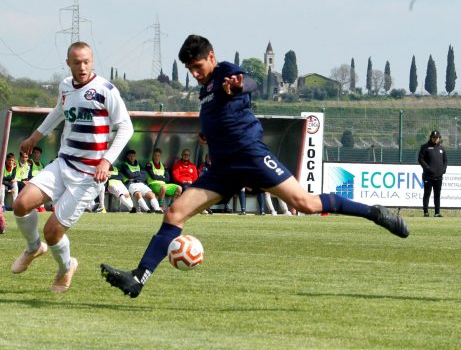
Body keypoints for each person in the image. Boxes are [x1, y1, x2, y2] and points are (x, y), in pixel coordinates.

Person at [101, 34, 409, 298]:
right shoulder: (204, 91)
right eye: (189, 69)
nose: (195, 73)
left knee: (307, 203)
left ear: (211, 57)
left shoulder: (225, 73)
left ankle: (374, 212)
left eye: (198, 66)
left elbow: (248, 83)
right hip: (222, 169)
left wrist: (237, 84)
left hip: (251, 158)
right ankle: (139, 278)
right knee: (175, 212)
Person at [11, 41, 133, 293]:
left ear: (92, 61)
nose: (82, 66)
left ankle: (66, 267)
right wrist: (35, 137)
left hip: (88, 176)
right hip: (64, 163)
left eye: (86, 61)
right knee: (21, 204)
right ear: (68, 63)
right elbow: (58, 111)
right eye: (76, 62)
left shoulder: (106, 90)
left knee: (52, 231)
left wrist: (106, 160)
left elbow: (126, 127)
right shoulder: (65, 86)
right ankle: (34, 248)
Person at [120, 149, 163, 214]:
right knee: (138, 194)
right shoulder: (124, 165)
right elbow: (129, 174)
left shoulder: (139, 164)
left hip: (141, 183)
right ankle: (147, 210)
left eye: (133, 156)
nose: (132, 158)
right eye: (130, 156)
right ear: (127, 157)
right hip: (131, 184)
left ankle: (157, 209)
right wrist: (139, 173)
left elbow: (144, 175)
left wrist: (135, 177)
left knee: (151, 194)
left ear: (135, 157)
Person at [418, 130, 447, 217]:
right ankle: (426, 212)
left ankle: (437, 213)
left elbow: (445, 160)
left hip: (438, 176)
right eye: (433, 137)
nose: (435, 139)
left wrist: (443, 170)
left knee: (437, 195)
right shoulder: (425, 147)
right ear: (431, 138)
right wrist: (427, 168)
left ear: (439, 138)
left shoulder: (442, 148)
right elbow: (420, 159)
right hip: (428, 176)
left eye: (437, 137)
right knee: (427, 193)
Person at [29, 146, 48, 212]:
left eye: (38, 153)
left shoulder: (41, 164)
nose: (36, 154)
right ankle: (35, 207)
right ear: (32, 154)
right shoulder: (30, 162)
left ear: (40, 154)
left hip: (40, 182)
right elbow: (28, 174)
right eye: (34, 153)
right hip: (32, 181)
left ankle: (41, 207)